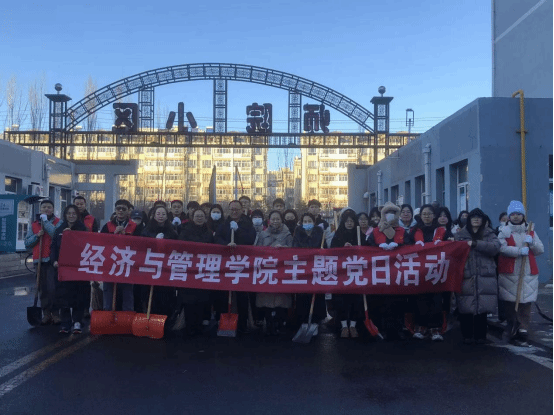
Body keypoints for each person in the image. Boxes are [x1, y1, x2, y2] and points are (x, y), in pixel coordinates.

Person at [497, 200, 544, 344]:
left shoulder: (530, 231)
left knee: (526, 301)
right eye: (513, 214)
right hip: (510, 271)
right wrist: (518, 251)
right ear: (509, 216)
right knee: (510, 302)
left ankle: (523, 327)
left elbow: (540, 250)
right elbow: (501, 248)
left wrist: (532, 243)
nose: (516, 216)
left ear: (523, 215)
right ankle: (512, 325)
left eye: (518, 214)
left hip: (527, 271)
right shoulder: (504, 231)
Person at [455, 208, 501, 344]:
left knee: (483, 306)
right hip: (466, 274)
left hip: (485, 274)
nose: (476, 219)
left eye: (479, 217)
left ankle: (481, 336)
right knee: (466, 305)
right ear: (468, 220)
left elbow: (495, 248)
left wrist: (476, 244)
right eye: (473, 217)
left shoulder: (489, 234)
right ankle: (467, 335)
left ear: (483, 220)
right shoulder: (460, 235)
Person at [367, 202, 409, 340]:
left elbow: (410, 246)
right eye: (387, 212)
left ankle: (397, 329)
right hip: (380, 271)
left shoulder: (402, 231)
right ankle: (381, 328)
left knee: (398, 301)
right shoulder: (375, 231)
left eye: (393, 212)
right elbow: (368, 247)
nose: (390, 215)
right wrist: (378, 247)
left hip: (397, 272)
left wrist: (400, 246)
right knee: (381, 301)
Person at [214, 200, 257, 333]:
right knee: (224, 293)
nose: (234, 212)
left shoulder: (247, 224)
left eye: (236, 209)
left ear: (241, 210)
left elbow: (251, 239)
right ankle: (223, 321)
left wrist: (238, 231)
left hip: (242, 264)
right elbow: (217, 239)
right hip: (226, 264)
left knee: (241, 294)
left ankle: (243, 323)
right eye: (232, 209)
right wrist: (226, 245)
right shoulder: (223, 224)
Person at [407, 204, 445, 341]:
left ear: (434, 215)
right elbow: (406, 246)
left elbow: (451, 245)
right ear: (420, 216)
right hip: (420, 271)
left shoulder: (442, 230)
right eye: (424, 214)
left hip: (437, 270)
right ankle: (421, 326)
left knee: (436, 299)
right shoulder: (414, 231)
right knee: (420, 299)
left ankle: (435, 328)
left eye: (429, 214)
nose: (427, 216)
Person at [51, 205, 89, 334]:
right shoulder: (59, 229)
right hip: (63, 268)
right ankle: (65, 323)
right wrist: (54, 261)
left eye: (74, 214)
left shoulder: (83, 229)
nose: (71, 216)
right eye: (69, 213)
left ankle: (77, 321)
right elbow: (53, 247)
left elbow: (86, 246)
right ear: (65, 215)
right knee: (63, 296)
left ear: (77, 215)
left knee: (79, 295)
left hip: (77, 268)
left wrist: (72, 235)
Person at [255, 210, 294, 336]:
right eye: (273, 219)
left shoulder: (288, 234)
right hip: (267, 269)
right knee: (266, 297)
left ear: (282, 220)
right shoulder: (263, 234)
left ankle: (280, 322)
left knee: (282, 298)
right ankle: (269, 322)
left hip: (282, 270)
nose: (275, 221)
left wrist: (286, 250)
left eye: (278, 219)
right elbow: (257, 250)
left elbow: (294, 251)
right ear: (269, 220)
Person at [25, 199, 62, 325]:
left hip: (52, 260)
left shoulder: (58, 222)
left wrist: (45, 222)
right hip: (39, 260)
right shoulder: (34, 224)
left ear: (53, 209)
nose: (46, 209)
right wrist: (37, 236)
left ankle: (55, 313)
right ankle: (46, 313)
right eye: (44, 207)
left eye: (49, 207)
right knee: (42, 289)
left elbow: (55, 234)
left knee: (53, 288)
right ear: (40, 209)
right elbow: (27, 243)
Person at [178, 208, 214, 335]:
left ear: (205, 218)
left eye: (201, 216)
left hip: (203, 269)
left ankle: (199, 325)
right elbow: (181, 246)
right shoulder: (185, 231)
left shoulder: (209, 233)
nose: (199, 218)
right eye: (197, 216)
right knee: (189, 298)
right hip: (189, 269)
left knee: (202, 298)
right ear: (192, 218)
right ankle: (189, 325)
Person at [100, 199, 140, 312]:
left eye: (123, 209)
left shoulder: (134, 227)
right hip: (110, 264)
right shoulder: (107, 226)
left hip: (127, 264)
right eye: (118, 208)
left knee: (127, 293)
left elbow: (139, 245)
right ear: (115, 210)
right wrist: (113, 236)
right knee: (108, 292)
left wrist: (126, 236)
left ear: (128, 211)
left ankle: (127, 317)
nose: (121, 211)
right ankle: (108, 315)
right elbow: (101, 243)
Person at [291, 212, 328, 332]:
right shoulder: (298, 232)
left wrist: (322, 250)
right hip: (302, 267)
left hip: (316, 267)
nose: (307, 223)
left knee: (316, 295)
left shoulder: (319, 232)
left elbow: (325, 248)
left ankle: (315, 321)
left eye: (309, 221)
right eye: (305, 221)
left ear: (314, 222)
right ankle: (303, 321)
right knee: (302, 295)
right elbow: (294, 248)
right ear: (301, 223)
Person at [330, 209, 363, 338]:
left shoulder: (360, 234)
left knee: (356, 299)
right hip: (341, 273)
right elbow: (332, 251)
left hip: (357, 272)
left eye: (352, 221)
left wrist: (355, 248)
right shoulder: (338, 235)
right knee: (341, 299)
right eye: (347, 221)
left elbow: (366, 250)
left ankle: (353, 325)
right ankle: (343, 325)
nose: (349, 223)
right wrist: (342, 247)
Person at [140, 205, 178, 317]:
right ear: (154, 215)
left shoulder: (172, 231)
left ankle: (166, 318)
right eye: (158, 214)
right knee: (151, 294)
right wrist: (154, 241)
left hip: (166, 267)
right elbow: (142, 246)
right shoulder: (147, 230)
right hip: (151, 266)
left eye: (163, 214)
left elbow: (176, 247)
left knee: (166, 294)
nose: (161, 216)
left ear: (167, 216)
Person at [73, 195, 98, 319]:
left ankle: (85, 309)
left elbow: (96, 237)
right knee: (72, 284)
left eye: (81, 204)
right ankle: (74, 308)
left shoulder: (91, 219)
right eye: (77, 204)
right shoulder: (69, 217)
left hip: (87, 255)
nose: (79, 206)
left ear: (85, 205)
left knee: (85, 284)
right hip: (72, 255)